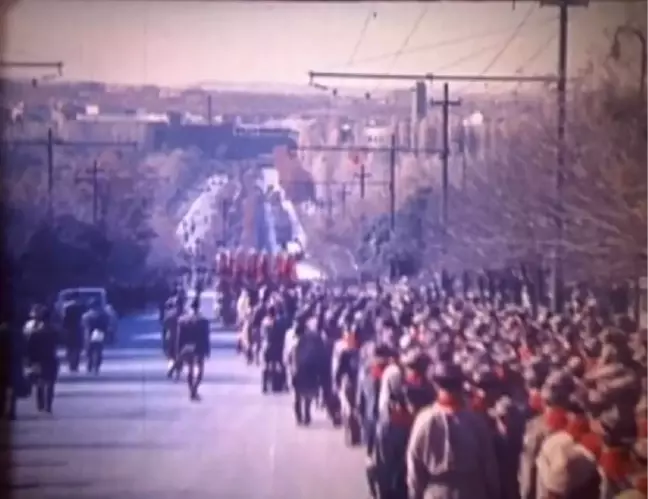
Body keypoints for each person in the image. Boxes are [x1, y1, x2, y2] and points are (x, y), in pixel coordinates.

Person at [23, 304, 59, 414]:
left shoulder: (35, 332)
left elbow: (29, 348)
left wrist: (29, 361)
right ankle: (48, 405)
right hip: (51, 359)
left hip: (39, 360)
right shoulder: (54, 331)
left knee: (40, 383)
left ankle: (40, 404)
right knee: (50, 383)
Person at [177, 297, 210, 401]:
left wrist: (179, 350)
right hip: (199, 347)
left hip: (187, 347)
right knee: (200, 371)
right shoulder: (203, 321)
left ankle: (191, 389)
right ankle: (194, 389)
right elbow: (206, 336)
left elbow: (179, 337)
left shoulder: (183, 320)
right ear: (199, 307)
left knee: (190, 369)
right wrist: (207, 350)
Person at [82, 298, 110, 374]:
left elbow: (83, 325)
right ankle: (96, 366)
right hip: (99, 332)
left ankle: (89, 365)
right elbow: (106, 324)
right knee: (98, 350)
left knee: (89, 351)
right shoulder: (103, 314)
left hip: (89, 333)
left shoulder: (86, 315)